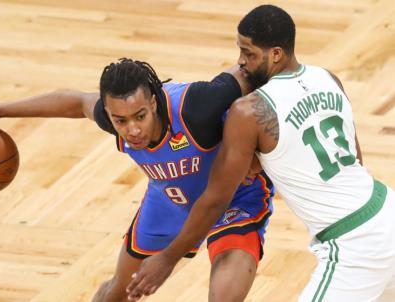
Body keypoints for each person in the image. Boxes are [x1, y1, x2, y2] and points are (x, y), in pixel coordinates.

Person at [126, 5, 395, 302]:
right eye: (240, 51)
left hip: (352, 243)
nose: (241, 62)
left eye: (250, 54)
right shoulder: (328, 78)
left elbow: (216, 199)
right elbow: (355, 158)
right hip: (385, 209)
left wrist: (168, 258)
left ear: (276, 54)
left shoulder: (250, 111)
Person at [0, 58, 274, 301]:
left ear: (153, 102)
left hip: (233, 199)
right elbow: (75, 102)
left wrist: (262, 152)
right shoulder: (110, 116)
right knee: (119, 291)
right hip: (170, 201)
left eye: (140, 117)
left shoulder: (197, 106)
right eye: (121, 120)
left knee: (224, 296)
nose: (132, 129)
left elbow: (253, 70)